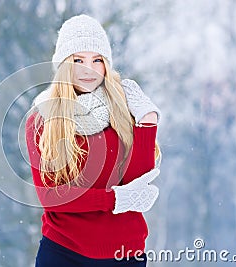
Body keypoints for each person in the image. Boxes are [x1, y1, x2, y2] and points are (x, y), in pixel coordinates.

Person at [25, 14, 161, 267]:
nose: (88, 70)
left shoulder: (124, 113)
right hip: (62, 252)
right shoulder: (42, 119)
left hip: (125, 254)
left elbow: (137, 181)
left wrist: (147, 120)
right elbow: (52, 196)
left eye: (96, 60)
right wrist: (114, 200)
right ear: (65, 64)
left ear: (106, 65)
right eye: (78, 60)